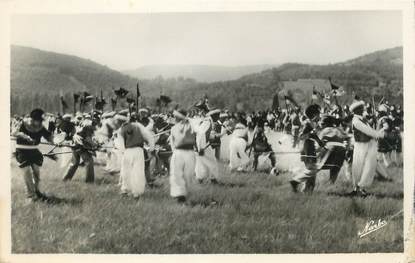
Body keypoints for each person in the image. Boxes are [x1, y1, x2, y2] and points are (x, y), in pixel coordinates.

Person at [11, 108, 54, 202]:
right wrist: (25, 136)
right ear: (32, 119)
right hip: (22, 151)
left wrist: (52, 140)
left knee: (36, 173)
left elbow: (48, 136)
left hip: (34, 151)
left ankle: (36, 191)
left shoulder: (41, 127)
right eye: (38, 121)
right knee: (27, 173)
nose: (39, 123)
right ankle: (30, 196)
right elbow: (14, 132)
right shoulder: (23, 123)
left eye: (40, 121)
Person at [349, 100, 385, 196]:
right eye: (360, 108)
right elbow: (368, 131)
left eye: (362, 107)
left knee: (369, 166)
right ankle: (357, 188)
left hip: (369, 144)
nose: (363, 109)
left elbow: (370, 129)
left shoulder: (363, 119)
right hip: (360, 145)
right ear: (356, 111)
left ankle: (361, 187)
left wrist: (373, 121)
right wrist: (379, 135)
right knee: (358, 166)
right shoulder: (356, 121)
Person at [118, 115, 155, 199]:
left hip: (127, 151)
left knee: (126, 171)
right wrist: (151, 148)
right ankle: (136, 192)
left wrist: (123, 151)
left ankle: (125, 189)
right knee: (138, 171)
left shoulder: (122, 128)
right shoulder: (139, 127)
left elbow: (120, 142)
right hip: (138, 151)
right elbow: (149, 137)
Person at [290, 104, 324, 193]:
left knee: (311, 173)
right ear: (313, 115)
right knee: (311, 172)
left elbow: (314, 135)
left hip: (310, 148)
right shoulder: (307, 123)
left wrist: (319, 142)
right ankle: (297, 183)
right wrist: (312, 134)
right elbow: (301, 136)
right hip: (307, 148)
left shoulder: (312, 123)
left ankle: (306, 192)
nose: (319, 115)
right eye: (318, 113)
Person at [169, 109, 197, 203]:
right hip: (178, 152)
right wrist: (175, 152)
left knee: (188, 174)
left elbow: (197, 129)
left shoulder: (191, 125)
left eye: (177, 116)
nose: (175, 118)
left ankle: (185, 193)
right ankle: (179, 195)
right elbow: (172, 142)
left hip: (189, 152)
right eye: (175, 117)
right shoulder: (173, 128)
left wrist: (188, 119)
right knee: (176, 174)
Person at [62, 117, 97, 183]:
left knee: (74, 163)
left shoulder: (80, 126)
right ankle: (89, 181)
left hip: (74, 145)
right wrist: (95, 145)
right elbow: (88, 139)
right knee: (89, 161)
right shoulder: (87, 127)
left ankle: (66, 178)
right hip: (81, 147)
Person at [194, 109, 221, 184]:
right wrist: (201, 148)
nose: (218, 118)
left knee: (201, 162)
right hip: (203, 146)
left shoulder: (208, 121)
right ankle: (212, 179)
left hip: (203, 145)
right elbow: (201, 134)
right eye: (217, 115)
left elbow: (206, 135)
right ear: (213, 115)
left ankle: (200, 179)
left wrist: (214, 137)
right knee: (212, 162)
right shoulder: (207, 122)